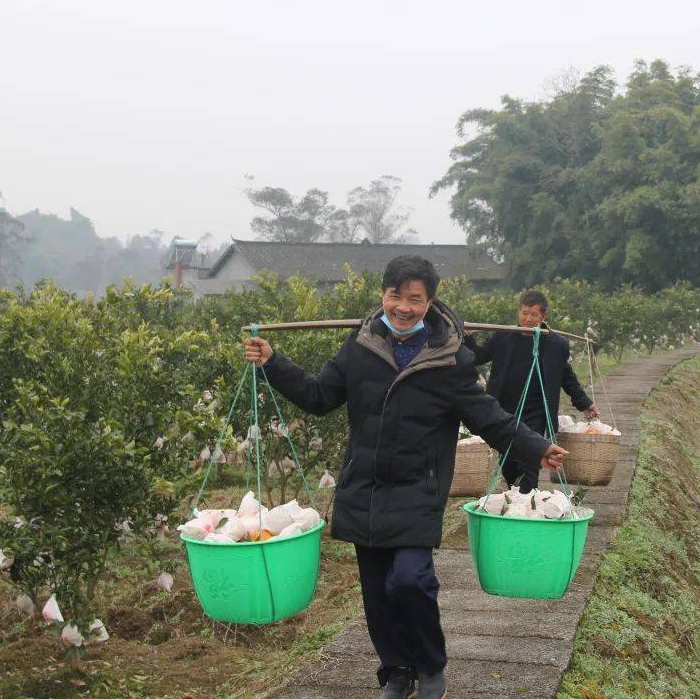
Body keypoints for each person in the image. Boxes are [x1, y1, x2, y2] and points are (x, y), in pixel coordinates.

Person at [243, 256, 568, 699]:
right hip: (365, 490)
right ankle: (396, 671)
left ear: (429, 302)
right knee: (377, 596)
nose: (403, 307)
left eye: (415, 298)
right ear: (383, 296)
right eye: (395, 296)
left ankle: (430, 665)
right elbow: (318, 396)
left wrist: (538, 446)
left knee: (411, 579)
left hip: (420, 487)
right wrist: (273, 362)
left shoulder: (449, 360)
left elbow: (490, 418)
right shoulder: (360, 348)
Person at [463, 290, 598, 493]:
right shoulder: (504, 336)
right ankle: (517, 498)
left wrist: (585, 402)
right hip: (504, 410)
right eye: (524, 313)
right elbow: (478, 357)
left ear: (543, 317)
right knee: (508, 461)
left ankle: (529, 503)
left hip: (536, 411)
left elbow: (566, 376)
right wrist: (468, 339)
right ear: (519, 312)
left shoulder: (555, 344)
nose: (527, 319)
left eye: (533, 315)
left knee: (531, 460)